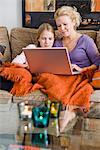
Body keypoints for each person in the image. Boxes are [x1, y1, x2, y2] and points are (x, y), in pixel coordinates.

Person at [52, 5, 100, 132]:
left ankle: (69, 113)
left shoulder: (86, 41)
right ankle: (68, 114)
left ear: (73, 22)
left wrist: (81, 69)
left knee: (80, 87)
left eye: (65, 24)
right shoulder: (56, 43)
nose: (62, 29)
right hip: (61, 76)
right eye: (58, 26)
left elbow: (97, 62)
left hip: (81, 75)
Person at [0, 23, 55, 94]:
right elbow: (14, 62)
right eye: (44, 38)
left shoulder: (56, 52)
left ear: (54, 39)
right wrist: (27, 66)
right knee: (23, 74)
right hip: (22, 75)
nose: (47, 42)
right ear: (38, 39)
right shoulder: (32, 48)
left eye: (50, 39)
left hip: (37, 78)